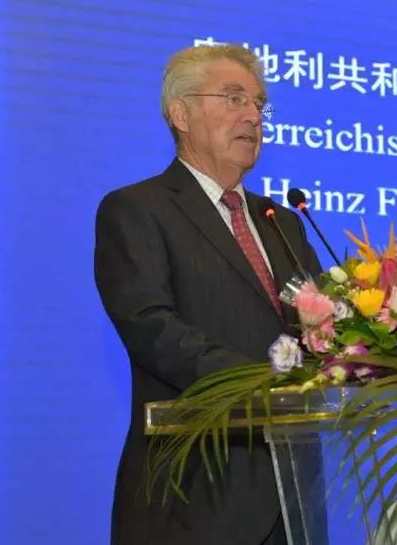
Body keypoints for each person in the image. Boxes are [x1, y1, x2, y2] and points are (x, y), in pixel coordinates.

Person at [94, 44, 326, 544]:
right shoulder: (137, 209)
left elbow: (321, 324)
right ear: (181, 114)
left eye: (259, 104)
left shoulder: (280, 221)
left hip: (293, 499)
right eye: (234, 98)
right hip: (195, 494)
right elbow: (150, 326)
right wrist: (264, 382)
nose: (253, 116)